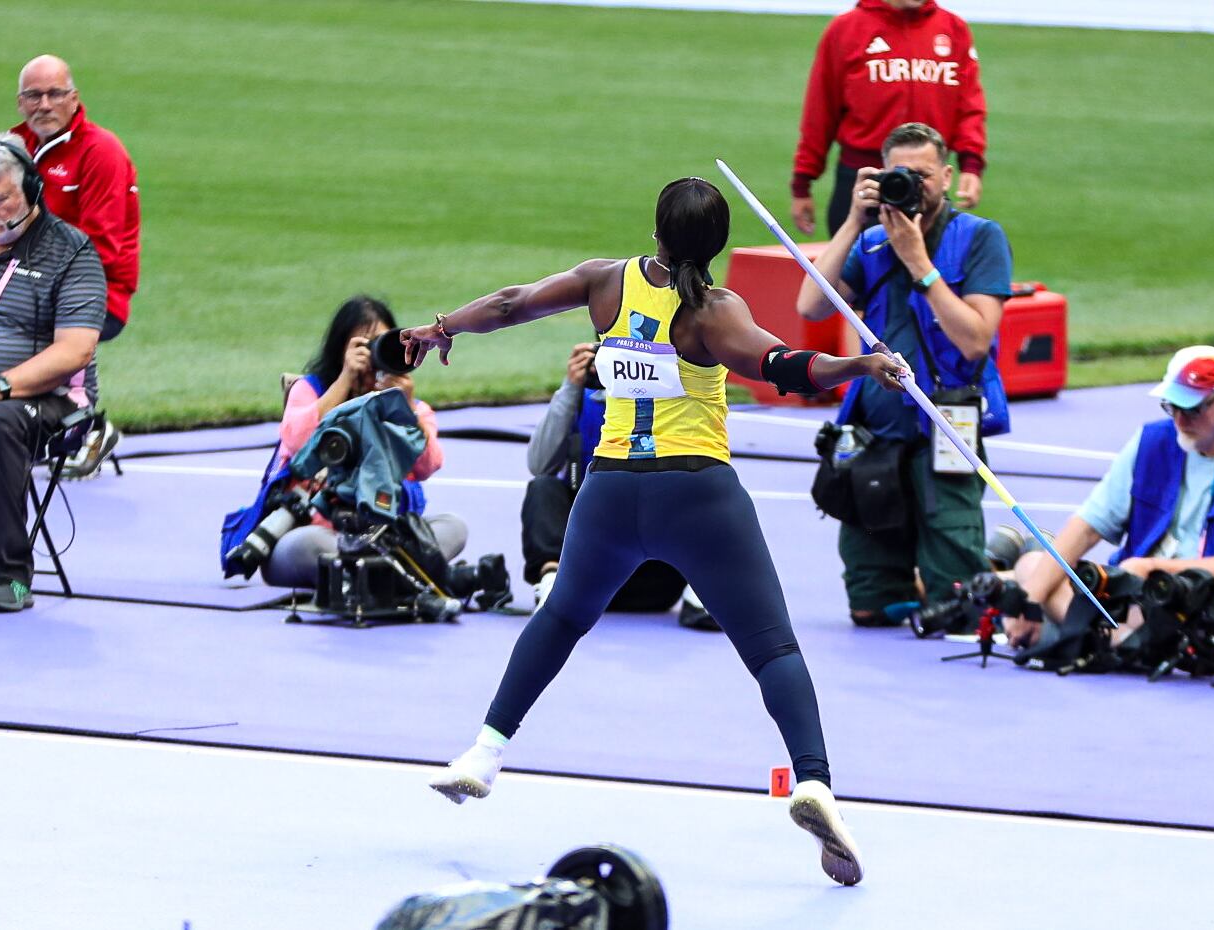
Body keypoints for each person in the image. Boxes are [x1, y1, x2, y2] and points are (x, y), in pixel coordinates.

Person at [403, 177, 910, 886]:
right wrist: (864, 363)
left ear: (656, 234)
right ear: (718, 244)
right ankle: (814, 781)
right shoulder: (715, 313)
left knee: (560, 618)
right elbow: (785, 369)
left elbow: (512, 303)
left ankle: (483, 753)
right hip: (697, 495)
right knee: (771, 648)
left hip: (609, 493)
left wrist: (440, 329)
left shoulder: (604, 284)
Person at [796, 122, 1012, 627]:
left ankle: (997, 567)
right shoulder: (871, 242)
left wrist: (920, 264)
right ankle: (914, 575)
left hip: (946, 427)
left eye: (923, 174)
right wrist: (852, 220)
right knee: (872, 608)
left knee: (957, 609)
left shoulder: (980, 238)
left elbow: (976, 338)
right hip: (877, 433)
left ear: (947, 176)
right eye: (900, 174)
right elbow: (809, 306)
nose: (912, 185)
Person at [1002, 347, 1214, 650]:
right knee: (1032, 565)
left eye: (1194, 408)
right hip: (1136, 594)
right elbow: (1087, 526)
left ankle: (1098, 640)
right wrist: (1029, 603)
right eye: (1172, 407)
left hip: (1209, 607)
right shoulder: (1151, 441)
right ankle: (1109, 642)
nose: (1181, 420)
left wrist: (1149, 569)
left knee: (1045, 577)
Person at [260, 295, 467, 589]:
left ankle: (364, 578)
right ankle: (398, 579)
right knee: (305, 545)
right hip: (323, 532)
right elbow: (297, 444)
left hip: (386, 535)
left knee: (454, 527)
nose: (373, 354)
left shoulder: (410, 407)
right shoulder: (311, 390)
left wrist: (405, 410)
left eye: (382, 343)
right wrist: (345, 380)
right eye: (363, 344)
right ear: (341, 348)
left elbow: (428, 465)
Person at [522, 340, 719, 630]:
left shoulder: (675, 396)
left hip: (653, 578)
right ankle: (552, 584)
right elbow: (539, 465)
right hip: (583, 578)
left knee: (709, 488)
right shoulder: (584, 397)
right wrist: (570, 388)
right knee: (543, 488)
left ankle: (701, 594)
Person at [12, 54, 140, 479]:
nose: (44, 104)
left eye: (54, 94)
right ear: (20, 102)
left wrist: (28, 281)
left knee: (25, 321)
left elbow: (98, 250)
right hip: (21, 284)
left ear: (73, 98)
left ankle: (87, 427)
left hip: (99, 292)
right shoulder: (12, 150)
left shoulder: (101, 153)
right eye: (33, 95)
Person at [0, 133, 104, 611]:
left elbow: (74, 352)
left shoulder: (71, 253)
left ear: (33, 191)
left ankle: (9, 578)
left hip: (52, 400)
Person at [791, 0, 987, 236]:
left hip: (926, 184)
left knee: (929, 271)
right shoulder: (845, 29)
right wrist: (802, 184)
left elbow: (969, 106)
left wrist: (971, 165)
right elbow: (820, 111)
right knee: (852, 271)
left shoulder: (954, 29)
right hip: (863, 181)